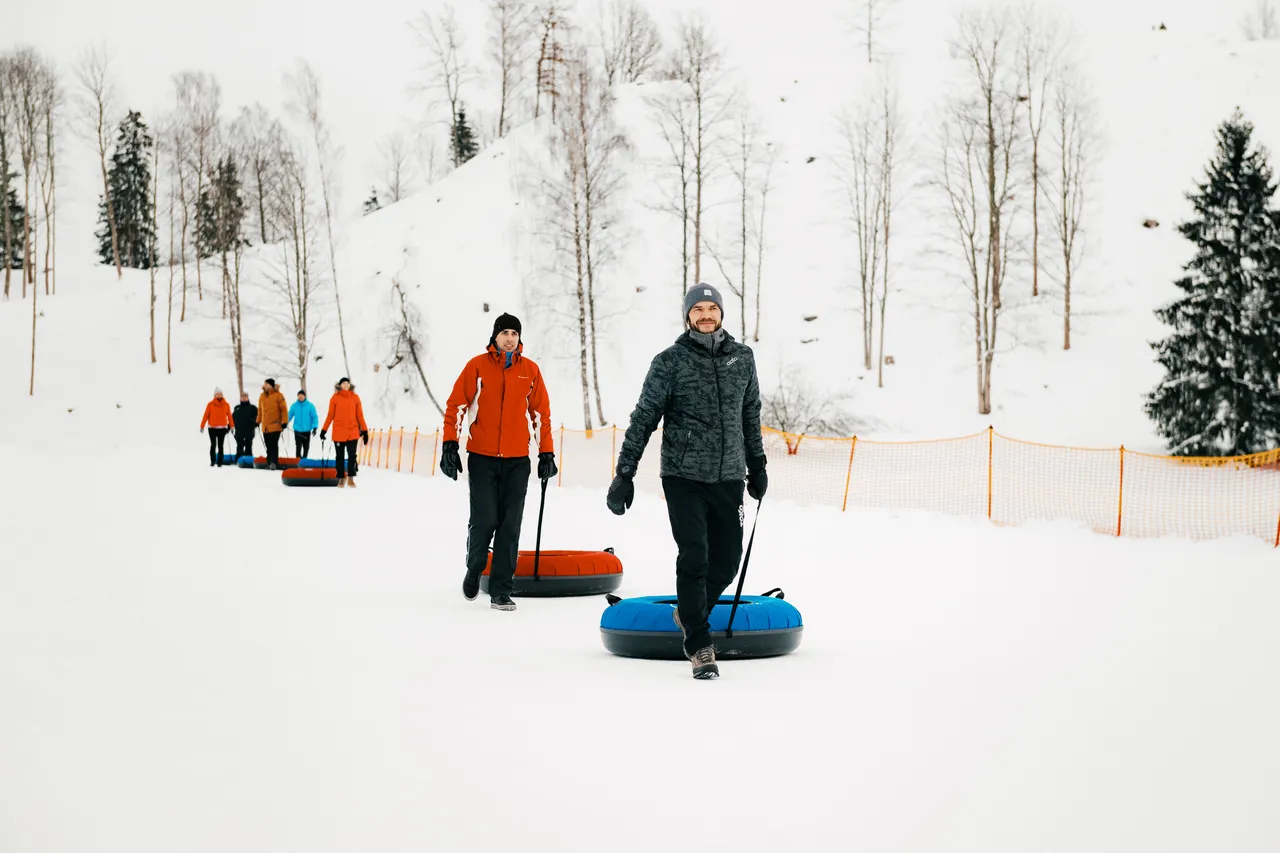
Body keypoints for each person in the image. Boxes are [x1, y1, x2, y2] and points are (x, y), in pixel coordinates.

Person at [606, 284, 768, 679]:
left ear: (722, 313)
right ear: (688, 315)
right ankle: (699, 644)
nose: (707, 314)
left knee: (727, 559)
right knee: (695, 556)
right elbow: (644, 417)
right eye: (699, 309)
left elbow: (750, 415)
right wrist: (624, 473)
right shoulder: (670, 362)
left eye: (713, 308)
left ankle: (687, 612)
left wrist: (758, 464)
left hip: (729, 475)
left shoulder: (742, 358)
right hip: (683, 475)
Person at [440, 313, 556, 612]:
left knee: (510, 525)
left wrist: (546, 452)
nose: (509, 338)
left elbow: (541, 415)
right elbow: (456, 406)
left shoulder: (530, 370)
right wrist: (449, 444)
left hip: (518, 460)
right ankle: (475, 566)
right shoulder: (476, 366)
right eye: (504, 332)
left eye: (514, 333)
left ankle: (501, 590)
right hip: (482, 457)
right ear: (495, 336)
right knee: (485, 519)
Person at [320, 377, 369, 487]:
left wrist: (365, 431)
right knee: (339, 456)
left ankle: (351, 478)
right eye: (343, 383)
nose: (346, 385)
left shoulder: (355, 398)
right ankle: (341, 478)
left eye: (347, 383)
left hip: (352, 432)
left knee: (352, 456)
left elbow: (360, 416)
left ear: (349, 385)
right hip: (339, 432)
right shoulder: (335, 398)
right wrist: (324, 430)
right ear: (340, 385)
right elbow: (330, 415)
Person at [256, 378, 289, 469]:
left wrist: (285, 421)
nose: (265, 385)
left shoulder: (279, 395)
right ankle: (269, 462)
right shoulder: (262, 396)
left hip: (275, 425)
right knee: (267, 445)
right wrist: (257, 421)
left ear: (271, 385)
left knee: (273, 444)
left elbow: (284, 410)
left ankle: (274, 462)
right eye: (265, 384)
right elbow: (260, 410)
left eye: (267, 384)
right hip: (265, 426)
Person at [200, 388, 233, 467]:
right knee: (213, 444)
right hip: (212, 428)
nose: (219, 395)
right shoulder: (210, 404)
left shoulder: (226, 404)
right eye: (217, 394)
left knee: (221, 446)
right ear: (214, 395)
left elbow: (230, 416)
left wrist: (232, 426)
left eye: (220, 394)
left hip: (222, 428)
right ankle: (213, 461)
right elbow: (206, 415)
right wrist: (202, 426)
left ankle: (220, 462)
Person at [289, 389, 320, 458]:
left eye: (302, 395)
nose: (300, 397)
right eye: (299, 396)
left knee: (306, 447)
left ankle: (305, 459)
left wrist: (315, 427)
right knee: (298, 446)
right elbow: (289, 416)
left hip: (307, 430)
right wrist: (284, 423)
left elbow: (314, 417)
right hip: (297, 430)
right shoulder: (294, 406)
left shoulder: (310, 406)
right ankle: (297, 460)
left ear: (305, 396)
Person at [232, 391, 258, 460]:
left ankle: (248, 459)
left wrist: (255, 423)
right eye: (242, 397)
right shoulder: (237, 408)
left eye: (245, 397)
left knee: (248, 445)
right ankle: (238, 459)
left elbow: (258, 417)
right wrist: (229, 426)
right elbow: (232, 418)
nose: (244, 398)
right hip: (239, 431)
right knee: (239, 445)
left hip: (249, 430)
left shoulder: (253, 408)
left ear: (248, 398)